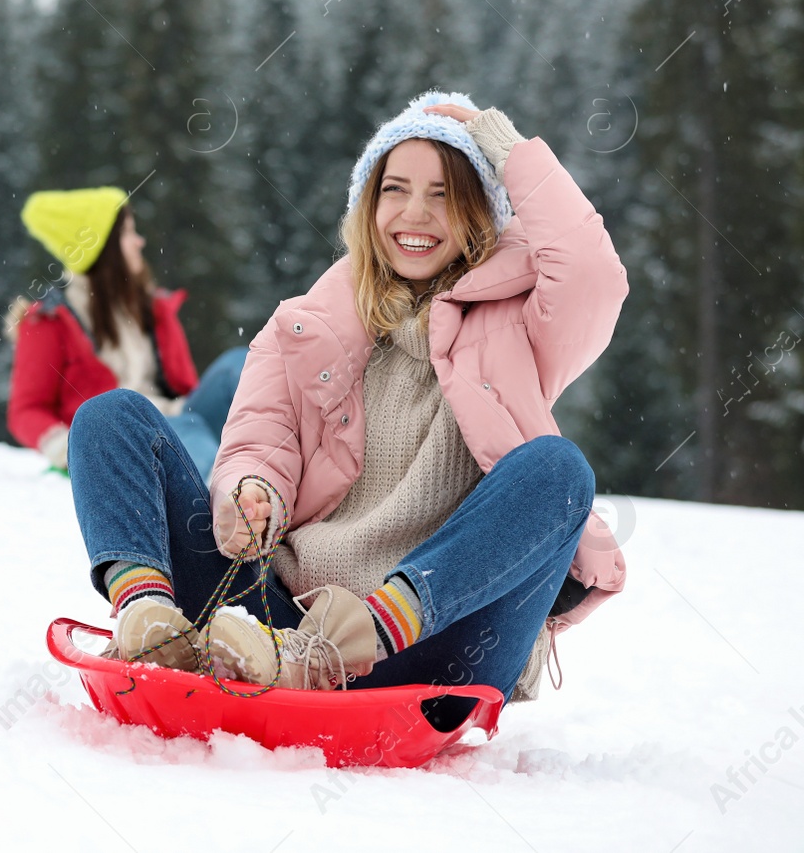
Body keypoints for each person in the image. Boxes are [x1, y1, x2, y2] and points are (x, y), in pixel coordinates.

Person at [66, 92, 629, 708]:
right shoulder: (309, 325)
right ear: (368, 204)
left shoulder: (524, 323)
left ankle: (349, 644)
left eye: (444, 194)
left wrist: (501, 143)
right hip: (271, 620)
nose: (415, 214)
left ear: (480, 212)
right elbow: (258, 442)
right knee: (111, 417)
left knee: (558, 468)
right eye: (395, 189)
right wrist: (254, 494)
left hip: (436, 642)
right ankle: (152, 624)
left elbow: (591, 272)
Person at [6, 186, 247, 477]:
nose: (139, 242)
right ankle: (218, 497)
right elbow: (26, 408)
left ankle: (296, 467)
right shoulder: (49, 320)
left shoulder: (153, 308)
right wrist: (66, 447)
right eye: (128, 233)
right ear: (102, 245)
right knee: (185, 430)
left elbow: (186, 389)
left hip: (180, 418)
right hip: (123, 438)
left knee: (242, 365)